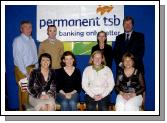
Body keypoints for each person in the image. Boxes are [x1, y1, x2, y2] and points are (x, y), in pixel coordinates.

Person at [12, 20, 38, 110]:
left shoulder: (32, 40)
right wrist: (25, 73)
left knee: (32, 91)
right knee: (25, 91)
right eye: (26, 27)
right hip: (21, 69)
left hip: (32, 67)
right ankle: (23, 114)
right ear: (21, 29)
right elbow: (18, 58)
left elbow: (35, 55)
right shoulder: (18, 41)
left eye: (30, 27)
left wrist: (37, 67)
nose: (28, 29)